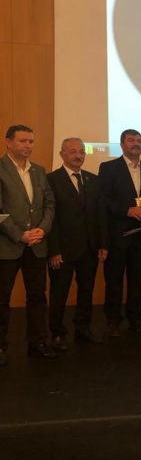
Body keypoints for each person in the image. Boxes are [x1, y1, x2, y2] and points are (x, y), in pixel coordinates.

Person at [0, 125, 56, 365]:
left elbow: (49, 205)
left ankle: (38, 342)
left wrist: (42, 229)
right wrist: (20, 235)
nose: (28, 145)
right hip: (8, 246)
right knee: (2, 299)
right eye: (23, 141)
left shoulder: (39, 171)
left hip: (37, 244)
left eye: (31, 141)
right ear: (8, 142)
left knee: (37, 296)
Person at [47, 137, 109, 350]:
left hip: (89, 248)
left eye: (81, 151)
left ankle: (83, 329)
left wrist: (103, 244)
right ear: (62, 154)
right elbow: (51, 218)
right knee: (59, 293)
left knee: (86, 291)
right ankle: (57, 332)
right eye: (73, 151)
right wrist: (53, 250)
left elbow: (100, 214)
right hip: (62, 250)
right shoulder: (51, 180)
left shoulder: (93, 179)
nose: (78, 156)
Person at [98, 129, 141, 336]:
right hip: (118, 236)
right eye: (131, 140)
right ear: (122, 144)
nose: (136, 143)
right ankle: (113, 321)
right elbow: (103, 200)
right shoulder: (108, 168)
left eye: (139, 140)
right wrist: (127, 210)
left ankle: (135, 318)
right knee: (114, 280)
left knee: (137, 280)